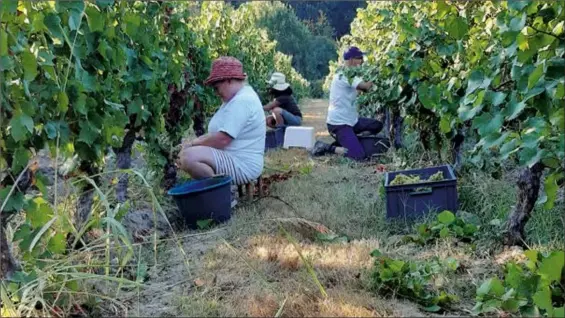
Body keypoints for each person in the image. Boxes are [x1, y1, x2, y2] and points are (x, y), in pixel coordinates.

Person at [176, 56, 266, 205]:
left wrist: (193, 143)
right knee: (189, 154)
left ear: (229, 80)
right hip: (234, 157)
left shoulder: (242, 101)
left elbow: (223, 139)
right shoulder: (236, 98)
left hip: (242, 164)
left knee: (188, 158)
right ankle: (219, 194)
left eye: (216, 87)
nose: (215, 92)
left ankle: (223, 197)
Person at [310, 46, 383, 161]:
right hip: (339, 125)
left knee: (377, 125)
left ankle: (350, 141)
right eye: (360, 58)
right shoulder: (345, 75)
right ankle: (327, 147)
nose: (362, 61)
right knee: (358, 156)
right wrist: (378, 72)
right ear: (352, 60)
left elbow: (359, 90)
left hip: (352, 121)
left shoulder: (348, 75)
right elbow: (366, 87)